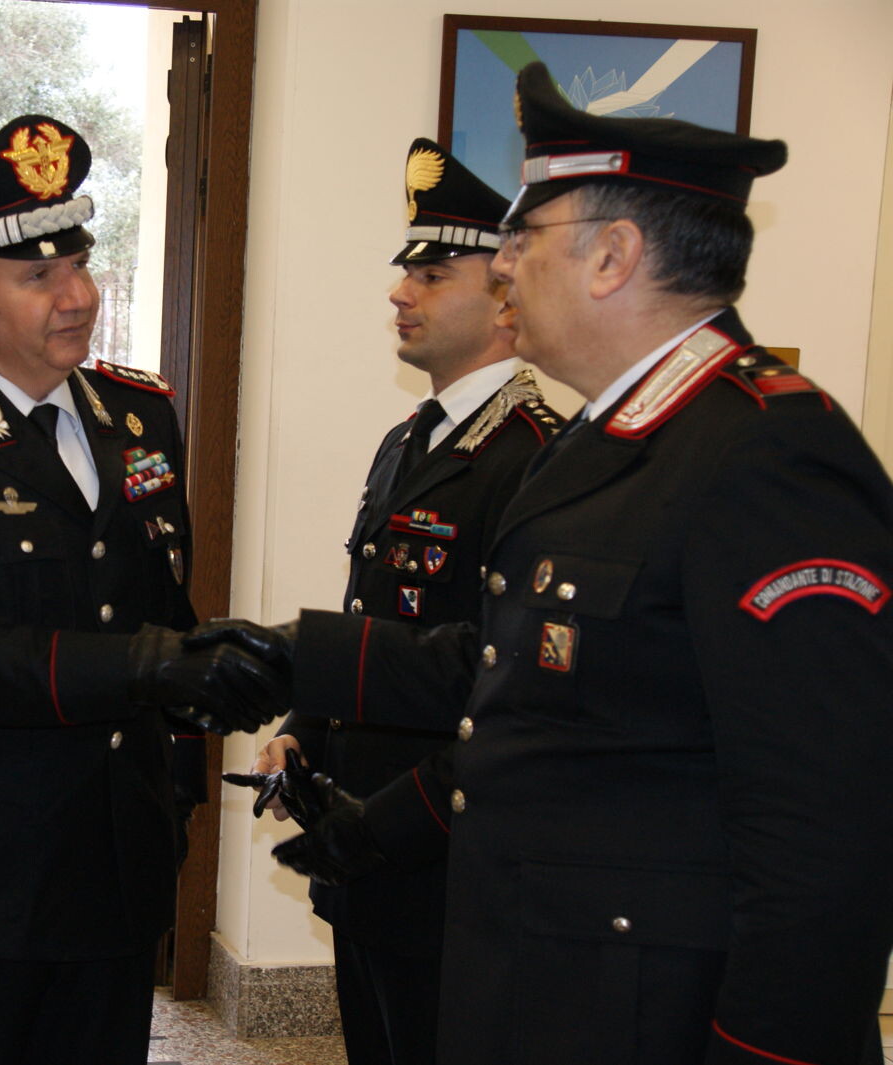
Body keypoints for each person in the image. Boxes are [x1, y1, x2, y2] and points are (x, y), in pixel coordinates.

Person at [220, 63, 893, 1064]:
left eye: (522, 239)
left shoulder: (764, 455)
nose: (499, 266)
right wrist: (287, 657)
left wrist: (769, 1053)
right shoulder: (607, 439)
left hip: (651, 1010)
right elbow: (514, 669)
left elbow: (824, 826)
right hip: (545, 980)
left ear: (613, 257)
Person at [0, 114, 281, 1065]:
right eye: (38, 277)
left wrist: (215, 677)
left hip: (116, 859)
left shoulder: (140, 415)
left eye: (79, 263)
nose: (78, 296)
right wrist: (156, 665)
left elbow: (158, 602)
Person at [249, 138, 561, 1065]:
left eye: (430, 273)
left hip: (449, 846)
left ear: (506, 293)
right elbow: (377, 611)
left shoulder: (539, 455)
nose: (400, 293)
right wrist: (304, 720)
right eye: (405, 275)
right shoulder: (409, 437)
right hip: (362, 825)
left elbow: (503, 670)